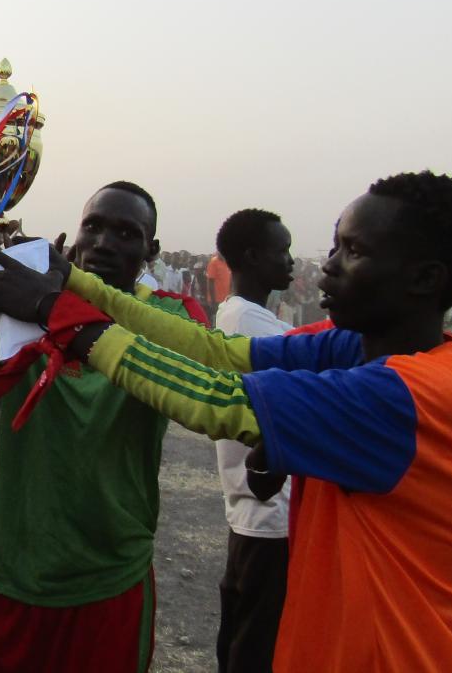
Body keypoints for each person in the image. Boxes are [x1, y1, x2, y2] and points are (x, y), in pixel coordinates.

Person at [0, 170, 452, 673]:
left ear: (425, 278)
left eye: (354, 251)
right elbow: (219, 353)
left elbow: (217, 398)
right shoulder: (354, 348)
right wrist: (71, 282)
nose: (328, 266)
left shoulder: (411, 393)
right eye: (336, 246)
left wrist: (58, 313)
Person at [0, 181, 207, 673]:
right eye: (94, 227)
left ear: (151, 251)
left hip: (112, 578)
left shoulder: (171, 316)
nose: (104, 243)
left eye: (126, 233)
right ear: (77, 234)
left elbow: (206, 382)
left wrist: (61, 304)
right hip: (19, 575)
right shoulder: (22, 311)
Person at [207, 209, 295, 673]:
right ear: (253, 257)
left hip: (259, 513)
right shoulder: (249, 324)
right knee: (257, 645)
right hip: (269, 514)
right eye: (283, 250)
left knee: (246, 636)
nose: (290, 261)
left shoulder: (247, 316)